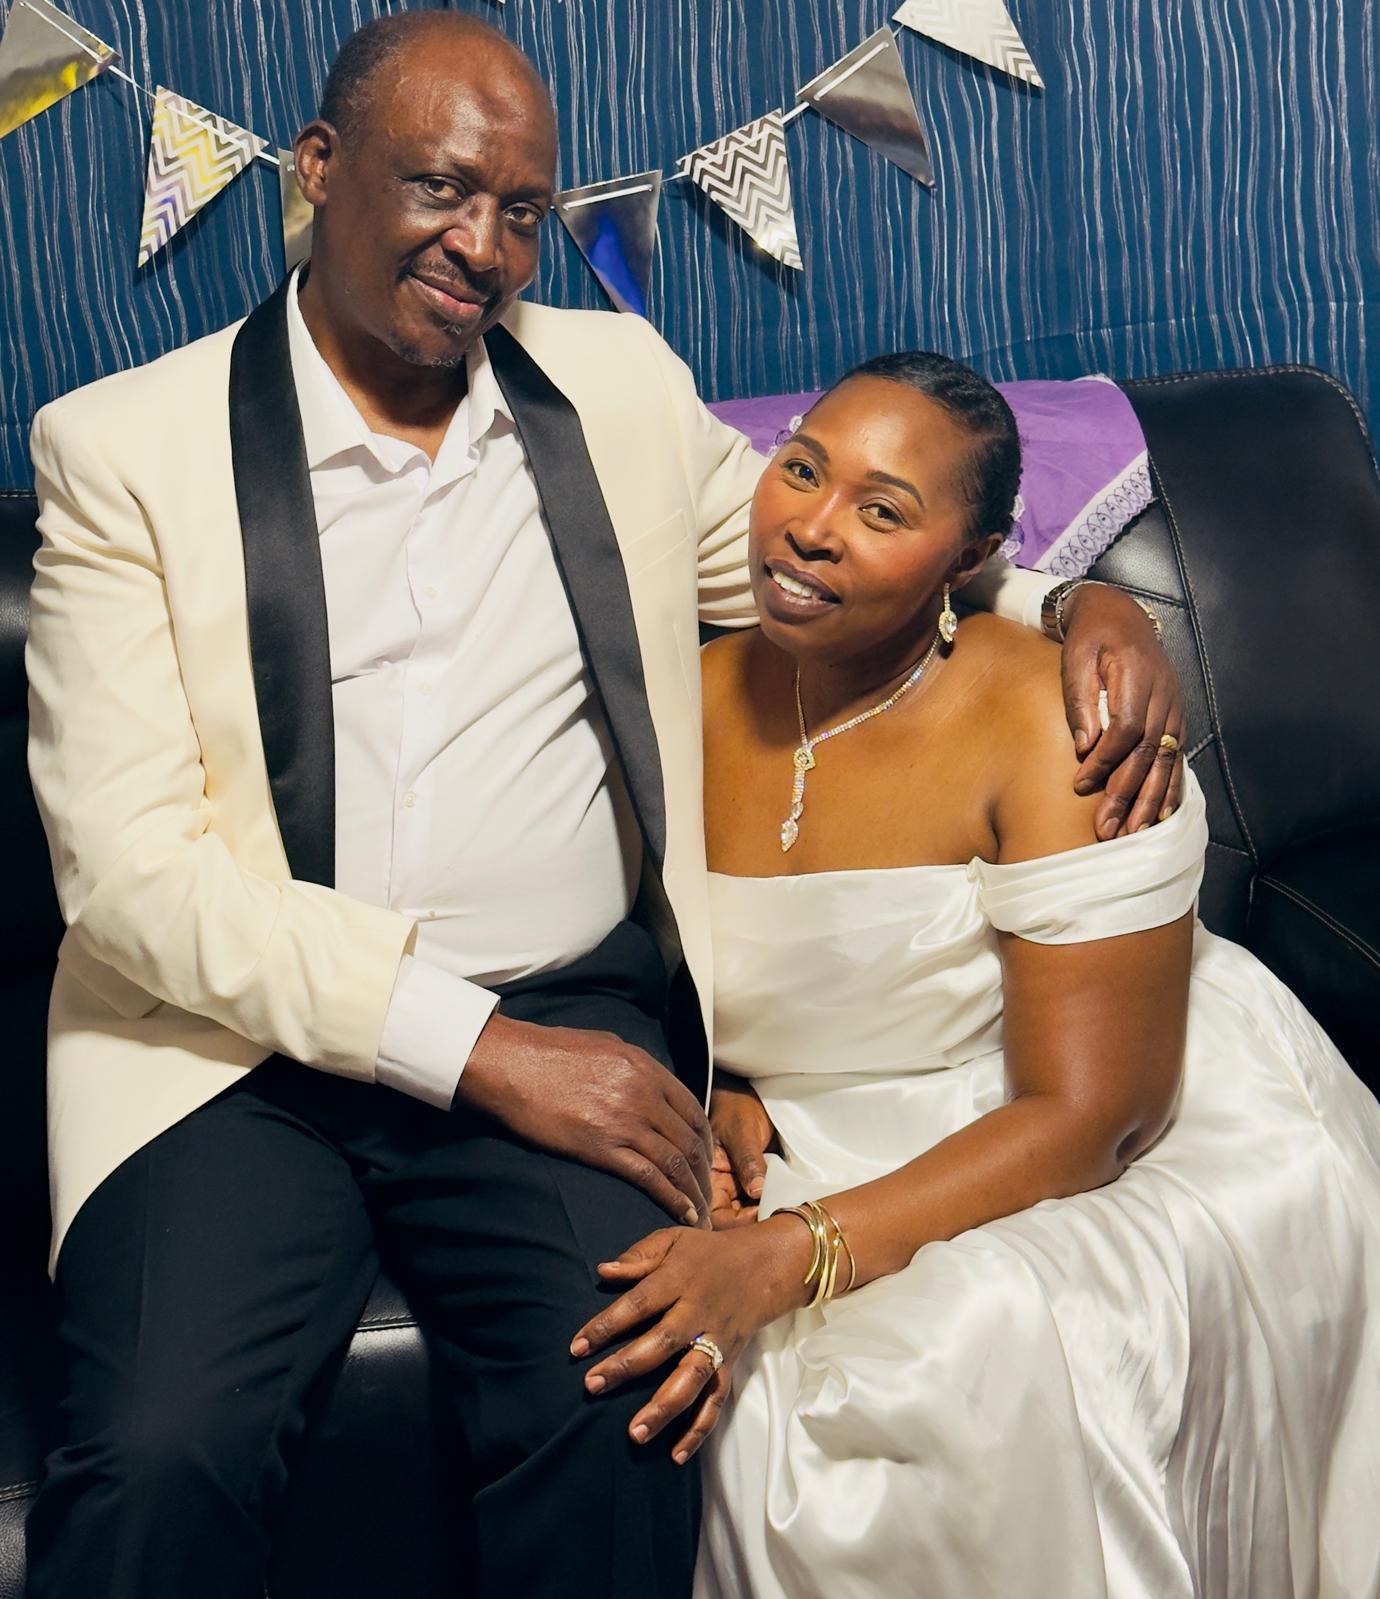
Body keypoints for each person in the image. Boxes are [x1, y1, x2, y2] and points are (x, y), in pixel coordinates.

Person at [23, 13, 1178, 1599]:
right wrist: (478, 1047)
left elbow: (814, 568)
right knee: (162, 1452)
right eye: (442, 188)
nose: (484, 247)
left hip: (567, 1005)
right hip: (231, 1053)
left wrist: (1074, 603)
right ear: (319, 170)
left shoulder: (615, 384)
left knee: (626, 1390)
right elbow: (131, 882)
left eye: (522, 211)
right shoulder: (123, 448)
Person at [568, 353, 1380, 1599]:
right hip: (816, 1130)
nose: (813, 528)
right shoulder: (671, 694)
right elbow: (620, 947)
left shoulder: (1059, 724)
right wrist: (723, 1082)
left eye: (885, 510)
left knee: (948, 1362)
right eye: (802, 469)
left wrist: (791, 1254)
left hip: (1074, 1114)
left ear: (973, 557)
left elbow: (1093, 1117)